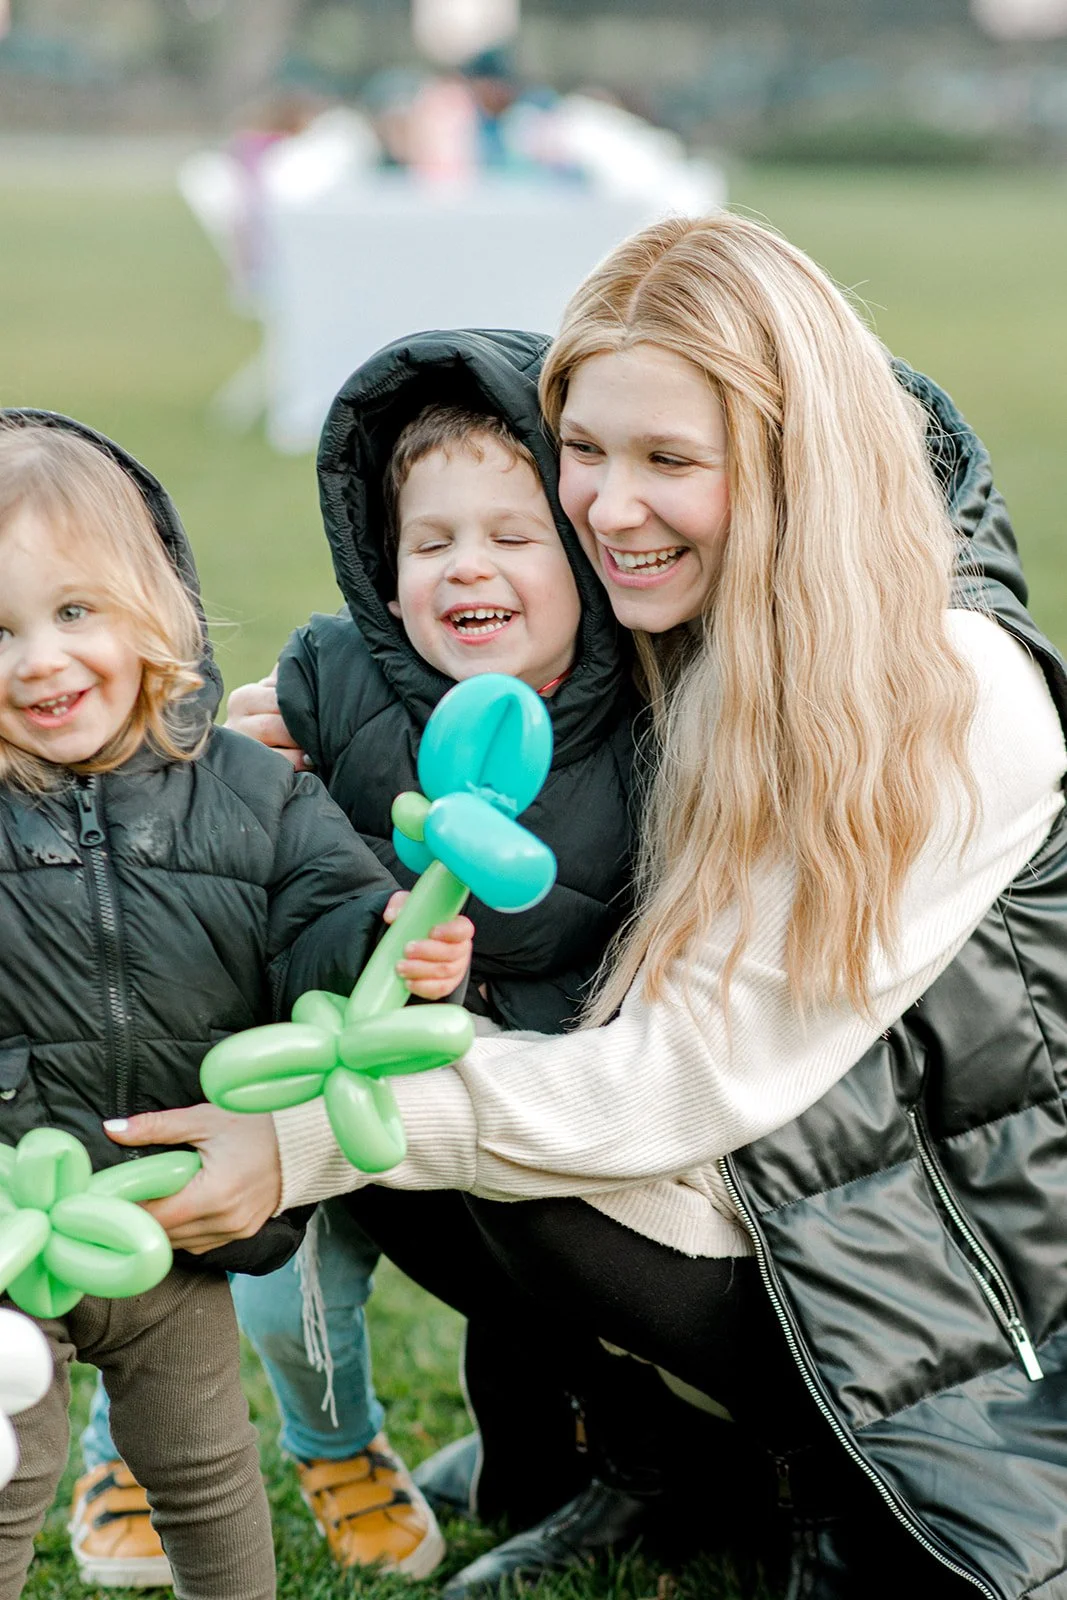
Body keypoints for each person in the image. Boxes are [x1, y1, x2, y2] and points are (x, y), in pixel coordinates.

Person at [108, 214, 1067, 1600]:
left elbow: (685, 1078)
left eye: (668, 461)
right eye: (585, 451)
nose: (607, 510)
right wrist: (301, 749)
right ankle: (647, 1458)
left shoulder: (948, 688)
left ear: (795, 459)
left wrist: (304, 1137)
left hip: (950, 1239)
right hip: (792, 1160)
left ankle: (810, 1477)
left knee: (470, 1129)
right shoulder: (683, 600)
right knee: (432, 1055)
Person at [79, 333, 642, 1584]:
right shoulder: (332, 681)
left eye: (511, 535)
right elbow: (213, 827)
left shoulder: (643, 720)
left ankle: (532, 1460)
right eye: (429, 543)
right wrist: (234, 769)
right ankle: (179, 1445)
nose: (466, 566)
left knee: (532, 1307)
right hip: (308, 1056)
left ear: (586, 560)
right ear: (383, 574)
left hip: (510, 1093)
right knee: (257, 1280)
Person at [0, 413, 472, 1599]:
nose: (39, 661)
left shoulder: (251, 795)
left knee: (207, 1467)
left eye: (74, 611)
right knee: (10, 1469)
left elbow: (322, 927)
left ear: (154, 607)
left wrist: (385, 941)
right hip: (13, 1230)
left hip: (181, 1214)